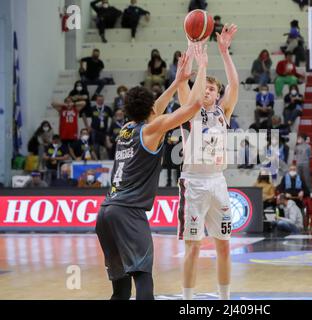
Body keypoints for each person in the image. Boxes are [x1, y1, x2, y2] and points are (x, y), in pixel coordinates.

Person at [95, 43, 207, 300]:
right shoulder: (151, 130)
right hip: (128, 214)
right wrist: (202, 68)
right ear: (150, 110)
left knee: (121, 291)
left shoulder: (127, 128)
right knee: (144, 278)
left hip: (106, 213)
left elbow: (154, 108)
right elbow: (195, 105)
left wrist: (176, 81)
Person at [176, 24, 239, 300]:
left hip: (218, 182)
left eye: (212, 89)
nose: (207, 92)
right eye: (205, 88)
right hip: (194, 184)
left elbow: (235, 84)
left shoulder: (224, 112)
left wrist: (224, 52)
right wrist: (193, 47)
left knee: (224, 245)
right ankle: (188, 300)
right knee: (194, 246)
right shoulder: (190, 110)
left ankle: (224, 299)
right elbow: (185, 85)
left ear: (217, 94)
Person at [86, 95, 113, 159]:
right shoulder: (92, 108)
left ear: (103, 100)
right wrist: (87, 126)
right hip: (95, 131)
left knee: (107, 146)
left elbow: (113, 117)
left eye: (101, 100)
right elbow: (84, 114)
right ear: (96, 100)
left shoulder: (107, 108)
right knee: (95, 147)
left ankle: (110, 160)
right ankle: (97, 160)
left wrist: (111, 126)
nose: (100, 101)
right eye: (99, 100)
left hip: (105, 131)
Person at [295, 133, 312, 198]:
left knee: (307, 178)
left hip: (305, 163)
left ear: (303, 139)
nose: (298, 139)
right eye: (298, 138)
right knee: (298, 178)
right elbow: (295, 154)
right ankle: (299, 190)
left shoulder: (308, 146)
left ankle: (311, 191)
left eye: (300, 138)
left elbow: (309, 155)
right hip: (298, 163)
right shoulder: (297, 147)